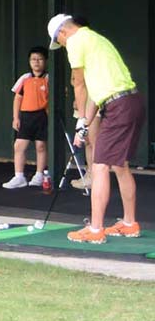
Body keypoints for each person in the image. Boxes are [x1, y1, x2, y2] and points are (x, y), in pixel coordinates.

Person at [48, 14, 146, 244]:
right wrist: (84, 123)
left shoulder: (74, 42)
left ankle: (95, 229)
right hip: (132, 102)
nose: (62, 46)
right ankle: (130, 224)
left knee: (99, 166)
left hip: (118, 106)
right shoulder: (96, 40)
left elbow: (79, 85)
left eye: (58, 42)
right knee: (120, 165)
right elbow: (94, 93)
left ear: (62, 33)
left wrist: (81, 117)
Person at [2, 46, 50, 190]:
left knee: (40, 146)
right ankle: (19, 176)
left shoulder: (49, 78)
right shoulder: (25, 78)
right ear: (29, 61)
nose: (36, 62)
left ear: (45, 61)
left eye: (40, 59)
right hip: (26, 116)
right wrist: (16, 118)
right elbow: (17, 99)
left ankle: (40, 174)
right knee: (19, 145)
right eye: (33, 59)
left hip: (42, 115)